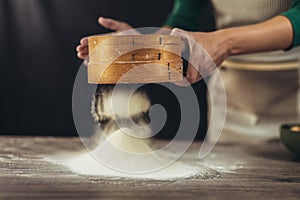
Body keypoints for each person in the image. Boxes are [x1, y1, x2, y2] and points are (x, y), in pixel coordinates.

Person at [76, 0, 300, 139]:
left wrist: (225, 42)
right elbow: (184, 19)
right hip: (234, 97)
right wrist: (145, 47)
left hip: (294, 90)